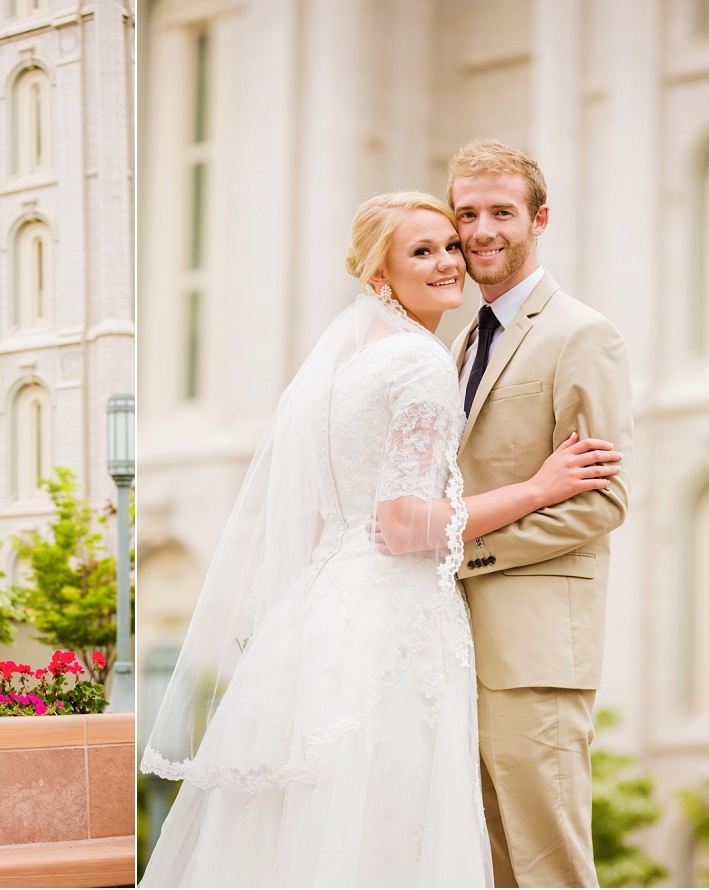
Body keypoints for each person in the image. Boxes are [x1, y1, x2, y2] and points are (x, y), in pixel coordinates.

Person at [138, 192, 622, 887]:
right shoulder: (421, 363)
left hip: (322, 613)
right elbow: (400, 525)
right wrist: (540, 488)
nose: (448, 261)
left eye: (448, 247)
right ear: (377, 276)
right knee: (394, 826)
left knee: (320, 826)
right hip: (395, 625)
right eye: (420, 253)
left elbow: (318, 521)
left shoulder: (339, 367)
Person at [448, 139, 634, 888]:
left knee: (549, 865)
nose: (483, 229)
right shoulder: (466, 342)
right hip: (459, 647)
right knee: (492, 864)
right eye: (468, 213)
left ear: (540, 219)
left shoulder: (582, 334)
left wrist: (464, 555)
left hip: (535, 656)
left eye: (502, 211)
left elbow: (602, 499)